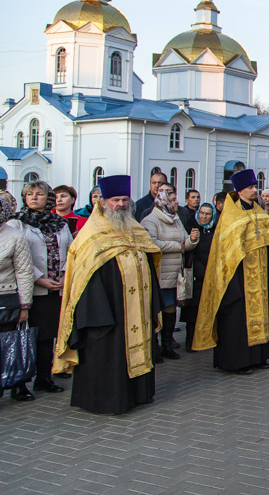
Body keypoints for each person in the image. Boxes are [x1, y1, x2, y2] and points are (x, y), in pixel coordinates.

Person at [52, 175, 163, 414]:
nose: (121, 204)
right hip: (106, 312)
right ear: (102, 202)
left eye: (124, 199)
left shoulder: (135, 228)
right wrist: (100, 313)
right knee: (109, 353)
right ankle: (109, 401)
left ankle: (139, 394)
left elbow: (148, 260)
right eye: (115, 200)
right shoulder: (91, 235)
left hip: (137, 308)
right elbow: (84, 278)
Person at [193, 169, 269, 375]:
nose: (255, 191)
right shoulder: (230, 216)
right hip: (237, 276)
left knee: (258, 314)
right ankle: (237, 361)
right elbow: (225, 251)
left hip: (258, 274)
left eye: (255, 187)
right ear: (239, 190)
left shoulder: (259, 212)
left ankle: (258, 356)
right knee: (237, 319)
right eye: (251, 187)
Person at [16, 181, 73, 397]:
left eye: (39, 194)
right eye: (29, 194)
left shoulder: (58, 222)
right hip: (31, 288)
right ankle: (20, 383)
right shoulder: (18, 223)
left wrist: (66, 272)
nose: (34, 197)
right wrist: (40, 279)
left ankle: (44, 377)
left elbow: (70, 249)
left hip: (56, 287)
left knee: (47, 336)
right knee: (27, 337)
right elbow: (19, 258)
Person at [141, 183, 198, 361]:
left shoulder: (176, 219)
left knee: (171, 309)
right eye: (173, 200)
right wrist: (178, 246)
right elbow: (152, 243)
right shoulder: (150, 221)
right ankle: (154, 347)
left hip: (176, 274)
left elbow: (184, 242)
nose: (177, 202)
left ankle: (167, 345)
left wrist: (192, 240)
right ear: (164, 202)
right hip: (161, 272)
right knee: (157, 309)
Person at [0, 197, 35, 405]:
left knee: (7, 346)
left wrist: (25, 305)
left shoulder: (14, 236)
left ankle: (15, 384)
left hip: (7, 298)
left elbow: (24, 271)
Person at [180, 203, 216, 351]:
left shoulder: (214, 231)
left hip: (211, 275)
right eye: (202, 213)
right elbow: (188, 251)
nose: (204, 216)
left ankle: (207, 337)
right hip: (195, 275)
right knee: (192, 311)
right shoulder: (191, 228)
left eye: (207, 214)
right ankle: (190, 340)